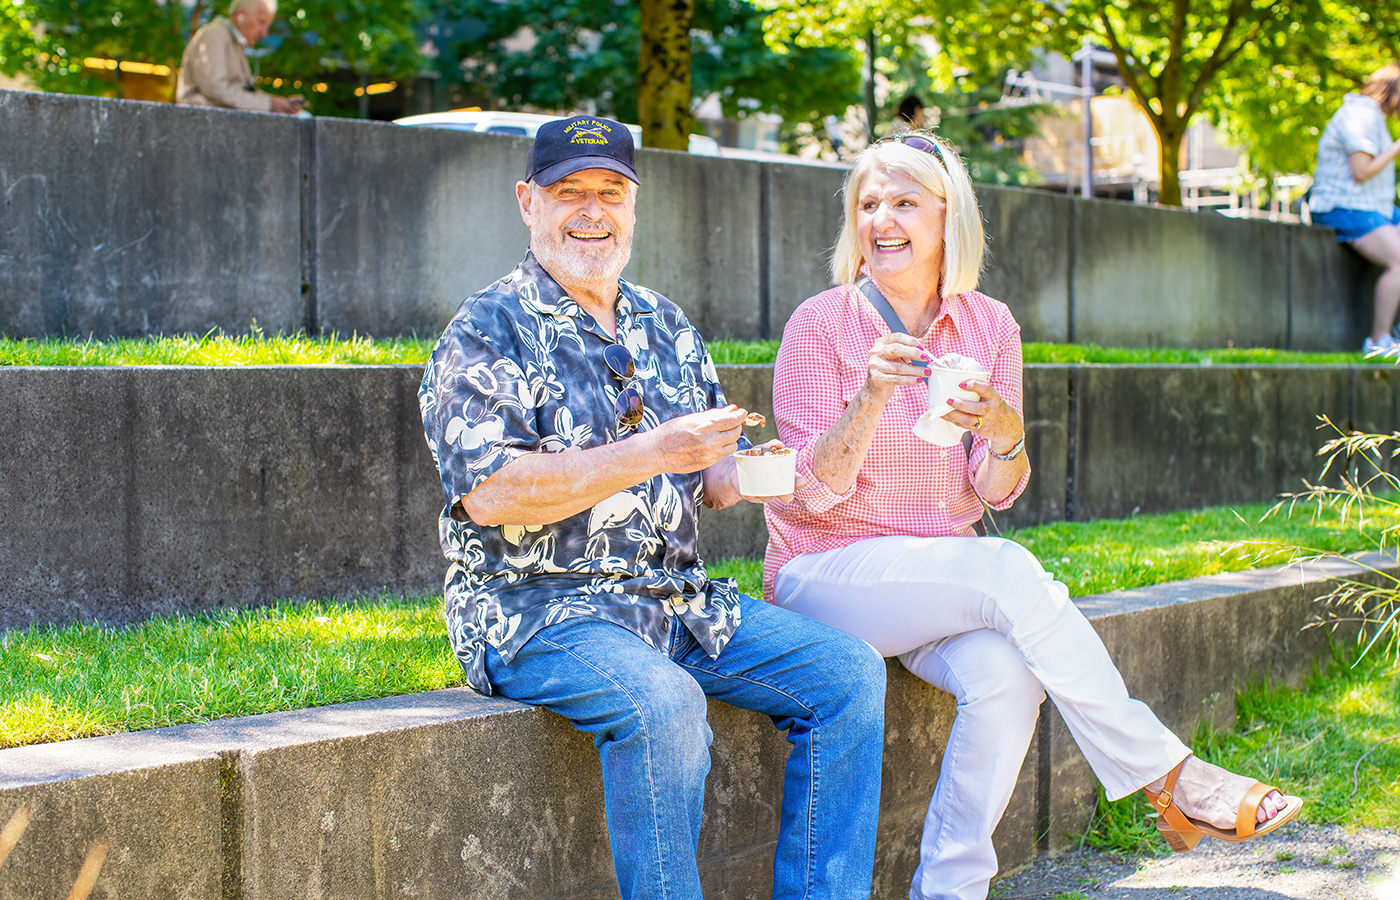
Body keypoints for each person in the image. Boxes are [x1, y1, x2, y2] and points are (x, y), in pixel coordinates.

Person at [762, 131, 1304, 900]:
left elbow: (995, 492)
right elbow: (806, 494)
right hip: (827, 576)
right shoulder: (822, 324)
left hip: (938, 579)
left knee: (1010, 676)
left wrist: (1006, 434)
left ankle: (949, 891)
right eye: (868, 202)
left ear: (949, 217)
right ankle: (1170, 776)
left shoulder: (989, 326)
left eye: (905, 201)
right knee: (1007, 566)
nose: (882, 217)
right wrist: (871, 398)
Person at [418, 115, 887, 900]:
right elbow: (492, 492)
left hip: (674, 602)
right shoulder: (483, 330)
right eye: (570, 192)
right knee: (666, 704)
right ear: (528, 202)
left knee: (848, 675)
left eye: (610, 192)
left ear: (634, 206)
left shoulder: (663, 324)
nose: (591, 211)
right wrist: (656, 451)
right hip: (538, 610)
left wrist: (747, 469)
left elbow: (711, 479)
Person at [1309, 62, 1400, 355]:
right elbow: (1361, 171)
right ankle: (1378, 341)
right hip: (1343, 207)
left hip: (1372, 207)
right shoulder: (1360, 115)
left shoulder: (1372, 116)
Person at [176, 0, 305, 114]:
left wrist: (279, 104)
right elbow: (217, 89)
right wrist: (269, 104)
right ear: (240, 15)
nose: (264, 33)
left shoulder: (236, 42)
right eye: (261, 22)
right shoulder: (214, 35)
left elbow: (242, 91)